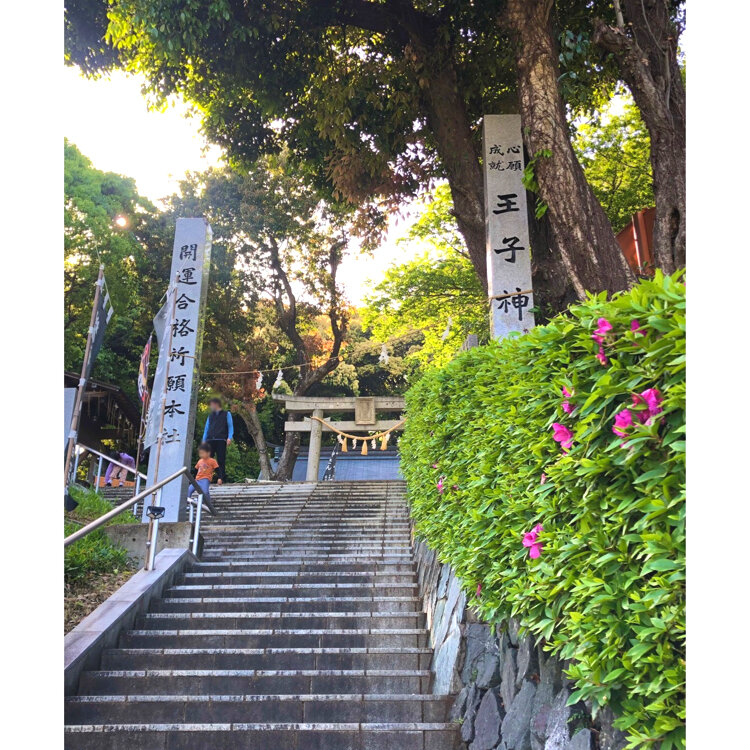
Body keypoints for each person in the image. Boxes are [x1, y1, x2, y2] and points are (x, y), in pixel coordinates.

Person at [202, 397, 233, 485]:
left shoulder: (227, 414)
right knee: (208, 459)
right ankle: (206, 477)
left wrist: (229, 437)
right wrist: (203, 440)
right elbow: (206, 428)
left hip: (221, 439)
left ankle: (221, 478)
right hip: (210, 439)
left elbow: (230, 426)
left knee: (221, 459)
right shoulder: (210, 415)